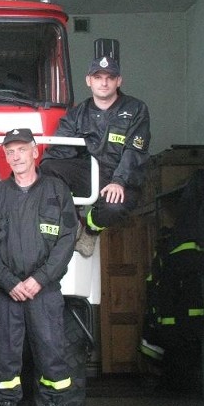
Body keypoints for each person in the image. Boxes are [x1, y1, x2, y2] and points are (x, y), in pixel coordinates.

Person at [0, 128, 78, 406]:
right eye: (10, 152)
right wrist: (9, 282)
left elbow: (66, 240)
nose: (16, 156)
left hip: (44, 292)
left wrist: (40, 279)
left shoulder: (56, 190)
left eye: (22, 149)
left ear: (35, 151)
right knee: (5, 360)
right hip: (6, 292)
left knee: (53, 356)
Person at [40, 55, 151, 257]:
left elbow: (134, 151)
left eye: (110, 77)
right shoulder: (77, 114)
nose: (104, 82)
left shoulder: (135, 109)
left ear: (119, 80)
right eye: (98, 77)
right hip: (92, 175)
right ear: (89, 81)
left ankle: (91, 231)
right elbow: (58, 151)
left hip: (122, 179)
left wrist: (119, 180)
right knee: (48, 168)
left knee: (114, 208)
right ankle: (71, 223)